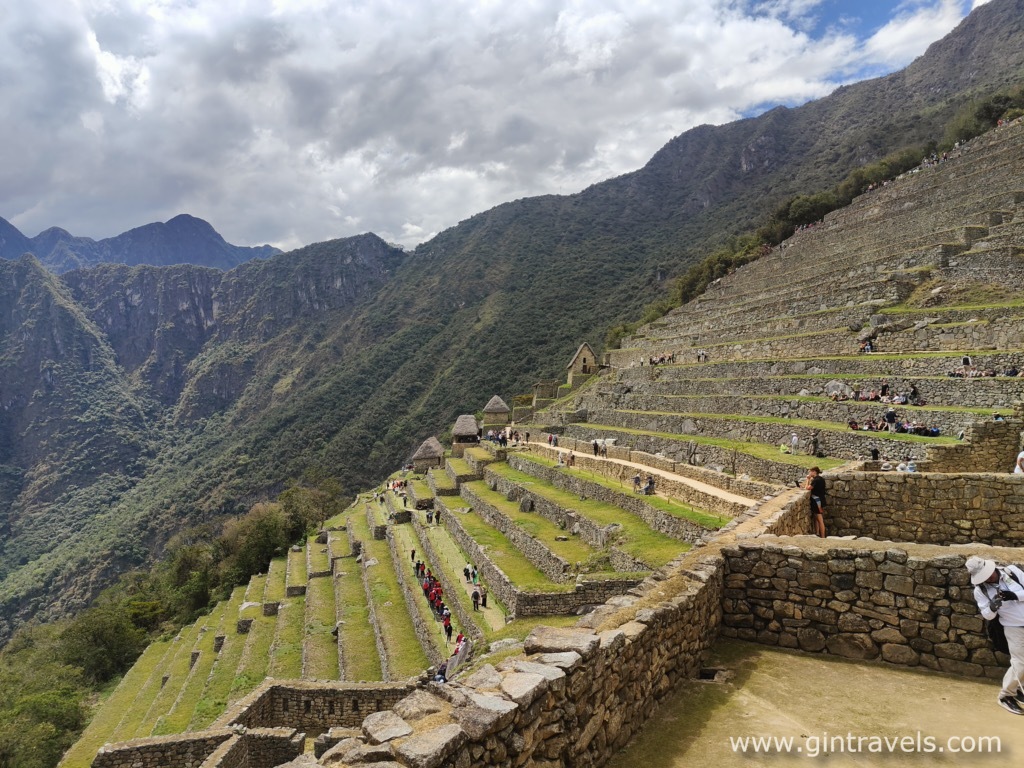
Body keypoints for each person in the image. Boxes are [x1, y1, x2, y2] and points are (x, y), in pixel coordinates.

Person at [966, 556, 1024, 715]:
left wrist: (1015, 595)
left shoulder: (1013, 572)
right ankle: (1006, 696)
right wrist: (992, 607)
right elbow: (987, 615)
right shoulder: (981, 590)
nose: (988, 578)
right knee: (1020, 663)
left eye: (988, 574)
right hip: (1013, 627)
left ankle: (1018, 688)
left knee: (1020, 663)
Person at [804, 467, 826, 538]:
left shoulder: (816, 480)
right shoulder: (821, 479)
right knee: (816, 517)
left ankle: (822, 537)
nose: (809, 473)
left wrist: (808, 479)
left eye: (810, 471)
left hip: (817, 501)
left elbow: (807, 488)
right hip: (820, 500)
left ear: (814, 472)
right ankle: (817, 533)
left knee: (820, 519)